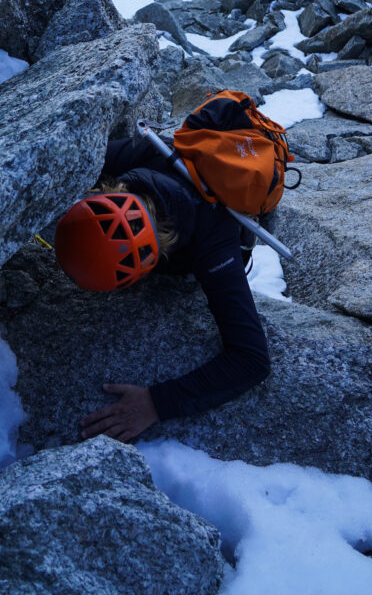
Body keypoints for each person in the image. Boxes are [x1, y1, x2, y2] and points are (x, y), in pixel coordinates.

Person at [54, 131, 271, 443]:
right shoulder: (144, 152)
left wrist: (157, 403)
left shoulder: (214, 243)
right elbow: (67, 150)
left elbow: (252, 359)